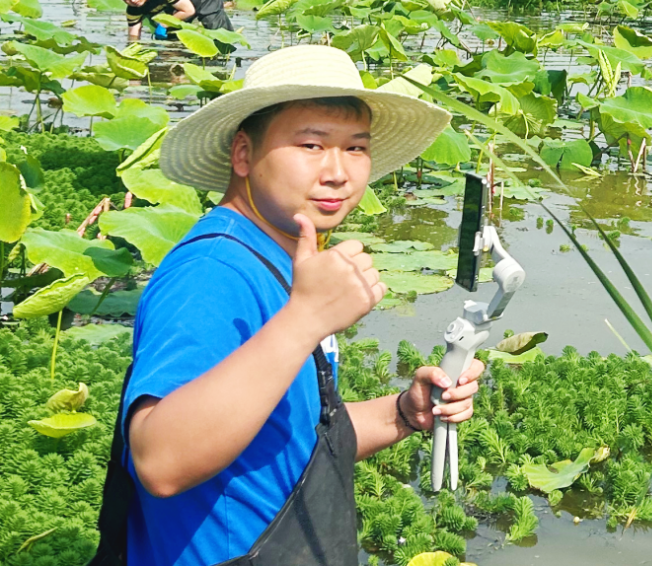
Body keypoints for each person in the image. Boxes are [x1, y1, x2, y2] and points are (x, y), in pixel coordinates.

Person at [90, 44, 479, 566]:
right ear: (244, 154)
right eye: (312, 144)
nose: (338, 172)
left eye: (356, 148)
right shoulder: (212, 275)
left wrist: (404, 413)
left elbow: (293, 439)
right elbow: (160, 460)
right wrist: (305, 320)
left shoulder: (281, 257)